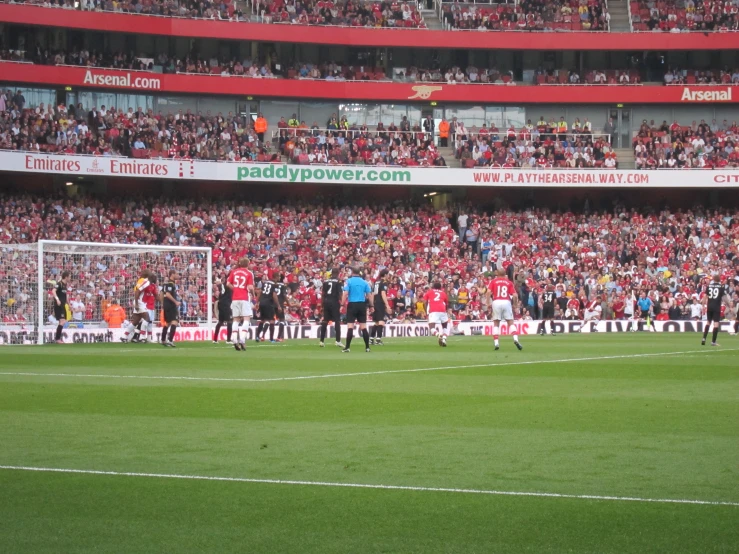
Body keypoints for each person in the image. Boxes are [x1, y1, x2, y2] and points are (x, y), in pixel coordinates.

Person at [486, 269, 522, 351]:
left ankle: (496, 343)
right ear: (505, 274)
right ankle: (516, 339)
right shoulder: (509, 282)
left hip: (496, 301)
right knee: (510, 322)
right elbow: (515, 295)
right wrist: (515, 304)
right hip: (506, 301)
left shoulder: (493, 281)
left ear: (497, 274)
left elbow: (488, 292)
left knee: (496, 323)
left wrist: (488, 302)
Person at [341, 266, 373, 353]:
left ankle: (347, 347)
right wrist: (372, 306)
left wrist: (342, 304)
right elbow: (369, 295)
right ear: (359, 273)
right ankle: (367, 347)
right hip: (362, 305)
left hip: (352, 304)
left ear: (352, 272)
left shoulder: (349, 281)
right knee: (363, 327)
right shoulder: (365, 282)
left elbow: (345, 293)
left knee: (350, 326)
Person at [227, 258, 255, 351]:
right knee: (246, 318)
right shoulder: (249, 273)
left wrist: (235, 289)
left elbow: (228, 284)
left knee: (236, 319)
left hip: (235, 298)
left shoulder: (234, 272)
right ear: (248, 264)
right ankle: (242, 339)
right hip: (244, 298)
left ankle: (234, 339)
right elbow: (250, 287)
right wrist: (253, 294)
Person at [122, 269, 152, 343]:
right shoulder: (146, 282)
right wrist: (137, 304)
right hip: (139, 302)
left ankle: (124, 336)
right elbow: (138, 291)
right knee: (147, 318)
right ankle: (142, 337)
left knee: (135, 321)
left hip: (137, 301)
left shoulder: (140, 280)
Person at [702, 276, 731, 346]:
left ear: (714, 280)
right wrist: (729, 305)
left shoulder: (709, 286)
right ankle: (713, 341)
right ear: (719, 280)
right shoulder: (721, 287)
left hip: (709, 306)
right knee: (716, 323)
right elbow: (725, 298)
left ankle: (704, 338)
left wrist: (703, 305)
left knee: (708, 322)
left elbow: (705, 296)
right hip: (716, 307)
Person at [319, 268, 343, 348]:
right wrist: (342, 304)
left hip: (326, 302)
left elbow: (323, 294)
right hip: (334, 302)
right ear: (338, 273)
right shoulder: (339, 281)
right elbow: (340, 293)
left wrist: (322, 305)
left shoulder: (326, 281)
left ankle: (321, 341)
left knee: (325, 321)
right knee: (337, 321)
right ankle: (338, 341)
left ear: (331, 273)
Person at [424, 282, 450, 347]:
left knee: (431, 327)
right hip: (443, 310)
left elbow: (425, 302)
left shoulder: (430, 292)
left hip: (433, 310)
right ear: (440, 287)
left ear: (433, 287)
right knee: (445, 327)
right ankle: (444, 339)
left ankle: (438, 335)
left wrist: (426, 311)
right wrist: (445, 311)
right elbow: (447, 303)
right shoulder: (443, 293)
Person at [370, 269, 391, 345]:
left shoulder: (376, 282)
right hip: (380, 303)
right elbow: (383, 294)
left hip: (375, 303)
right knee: (381, 321)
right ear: (385, 275)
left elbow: (373, 294)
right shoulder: (384, 282)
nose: (388, 276)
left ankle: (371, 338)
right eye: (388, 274)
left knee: (376, 322)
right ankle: (378, 339)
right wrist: (387, 304)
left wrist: (372, 304)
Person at [255, 274, 278, 344]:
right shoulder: (274, 285)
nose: (279, 278)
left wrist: (257, 302)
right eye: (278, 277)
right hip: (269, 303)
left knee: (262, 320)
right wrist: (278, 305)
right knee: (271, 321)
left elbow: (260, 292)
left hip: (262, 302)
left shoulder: (265, 283)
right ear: (275, 277)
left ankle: (257, 336)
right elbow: (274, 295)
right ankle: (271, 339)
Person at [160, 271, 180, 347]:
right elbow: (167, 294)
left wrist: (162, 303)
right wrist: (176, 302)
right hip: (171, 305)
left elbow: (161, 293)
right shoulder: (170, 284)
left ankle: (163, 340)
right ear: (172, 274)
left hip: (166, 305)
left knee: (168, 323)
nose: (177, 275)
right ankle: (170, 340)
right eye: (176, 274)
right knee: (174, 322)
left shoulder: (166, 284)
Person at [213, 275, 233, 344]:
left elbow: (218, 284)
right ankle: (228, 340)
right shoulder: (229, 286)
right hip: (226, 305)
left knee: (220, 322)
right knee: (230, 321)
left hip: (220, 303)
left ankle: (215, 339)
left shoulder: (221, 285)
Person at [52, 271, 70, 344]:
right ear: (66, 277)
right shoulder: (59, 284)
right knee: (62, 321)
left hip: (63, 305)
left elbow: (65, 297)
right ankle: (57, 338)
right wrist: (57, 299)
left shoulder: (65, 285)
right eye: (69, 276)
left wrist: (69, 305)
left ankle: (58, 338)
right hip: (58, 305)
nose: (70, 278)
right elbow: (53, 291)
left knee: (63, 321)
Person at [273, 272, 289, 342]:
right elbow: (284, 295)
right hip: (280, 304)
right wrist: (288, 303)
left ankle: (264, 336)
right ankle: (279, 337)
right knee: (282, 320)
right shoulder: (283, 286)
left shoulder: (274, 284)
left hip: (272, 304)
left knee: (269, 320)